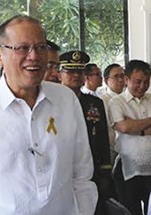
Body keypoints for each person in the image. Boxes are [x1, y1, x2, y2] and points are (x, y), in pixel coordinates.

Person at [0, 15, 97, 215]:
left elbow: (82, 173)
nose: (34, 56)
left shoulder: (66, 100)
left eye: (41, 47)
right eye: (22, 48)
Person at [59, 50, 112, 215]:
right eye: (70, 71)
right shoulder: (52, 102)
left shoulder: (94, 103)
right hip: (63, 168)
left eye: (80, 71)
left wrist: (105, 170)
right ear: (60, 74)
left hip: (92, 169)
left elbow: (103, 138)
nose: (76, 75)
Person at [108, 59, 151, 215]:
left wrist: (135, 125)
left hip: (150, 169)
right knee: (130, 211)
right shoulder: (116, 102)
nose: (142, 86)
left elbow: (130, 126)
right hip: (128, 169)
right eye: (138, 82)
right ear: (127, 80)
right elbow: (124, 127)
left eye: (146, 82)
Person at [99, 63, 125, 164]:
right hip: (111, 152)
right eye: (116, 76)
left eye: (122, 76)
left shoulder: (128, 99)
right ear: (106, 80)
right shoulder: (102, 101)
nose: (120, 80)